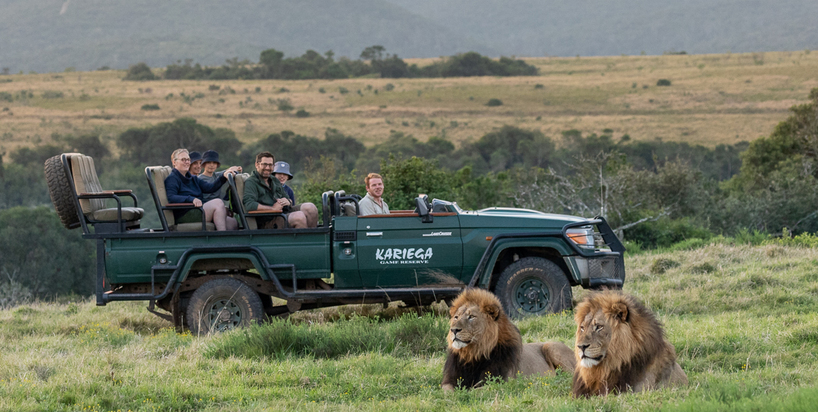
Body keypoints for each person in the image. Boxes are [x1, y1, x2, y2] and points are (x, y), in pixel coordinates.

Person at [165, 148, 240, 231]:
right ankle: (222, 236)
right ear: (174, 162)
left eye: (188, 160)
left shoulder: (192, 178)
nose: (186, 162)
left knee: (232, 223)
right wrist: (191, 199)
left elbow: (210, 188)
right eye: (183, 160)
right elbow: (171, 197)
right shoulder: (172, 178)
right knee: (218, 202)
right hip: (185, 214)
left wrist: (223, 177)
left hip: (197, 210)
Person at [243, 151, 318, 229]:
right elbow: (249, 204)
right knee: (299, 217)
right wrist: (273, 209)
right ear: (257, 165)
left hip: (283, 212)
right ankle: (304, 240)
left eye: (270, 165)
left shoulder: (273, 180)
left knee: (310, 208)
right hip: (268, 220)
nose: (268, 168)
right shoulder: (251, 182)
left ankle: (314, 239)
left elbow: (287, 198)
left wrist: (287, 201)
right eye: (264, 164)